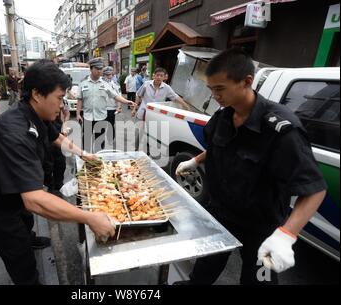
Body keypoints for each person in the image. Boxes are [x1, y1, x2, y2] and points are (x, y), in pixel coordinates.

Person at [175, 48, 327, 285]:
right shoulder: (224, 117)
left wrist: (287, 234)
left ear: (247, 81)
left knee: (258, 279)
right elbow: (219, 147)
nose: (215, 96)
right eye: (211, 89)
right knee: (204, 269)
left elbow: (315, 189)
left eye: (220, 89)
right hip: (220, 213)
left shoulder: (281, 130)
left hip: (260, 225)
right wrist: (196, 160)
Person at [0, 61, 116, 285]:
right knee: (18, 253)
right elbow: (35, 201)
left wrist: (84, 155)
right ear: (37, 94)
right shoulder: (15, 132)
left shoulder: (38, 114)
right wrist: (89, 217)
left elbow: (56, 137)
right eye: (59, 97)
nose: (63, 104)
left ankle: (30, 238)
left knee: (26, 223)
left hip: (14, 191)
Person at [76, 58, 135, 152]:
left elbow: (115, 95)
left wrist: (126, 101)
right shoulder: (83, 83)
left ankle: (98, 161)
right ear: (91, 69)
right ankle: (86, 160)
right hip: (87, 117)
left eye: (101, 69)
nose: (100, 71)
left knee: (100, 142)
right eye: (97, 69)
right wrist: (78, 114)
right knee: (86, 141)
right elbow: (80, 99)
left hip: (101, 117)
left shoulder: (105, 83)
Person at [132, 67, 190, 150]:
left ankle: (148, 150)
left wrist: (185, 106)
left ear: (164, 77)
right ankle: (136, 149)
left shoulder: (167, 88)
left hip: (156, 114)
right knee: (141, 131)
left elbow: (175, 97)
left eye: (161, 75)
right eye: (157, 75)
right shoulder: (146, 84)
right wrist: (134, 109)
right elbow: (138, 94)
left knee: (153, 132)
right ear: (153, 76)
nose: (159, 77)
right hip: (144, 112)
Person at [103, 66, 122, 145]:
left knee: (111, 125)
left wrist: (119, 106)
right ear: (103, 75)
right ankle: (101, 141)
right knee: (102, 126)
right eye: (107, 75)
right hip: (102, 109)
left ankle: (111, 139)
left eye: (111, 74)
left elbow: (119, 96)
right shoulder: (100, 83)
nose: (109, 76)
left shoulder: (115, 84)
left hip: (112, 108)